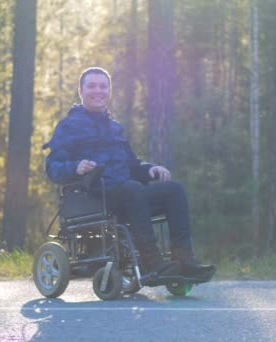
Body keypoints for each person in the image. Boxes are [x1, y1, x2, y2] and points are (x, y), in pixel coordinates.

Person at [44, 67, 214, 279]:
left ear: (110, 91)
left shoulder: (115, 127)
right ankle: (151, 262)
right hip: (94, 197)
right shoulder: (68, 126)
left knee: (173, 190)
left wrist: (150, 169)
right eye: (92, 86)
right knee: (133, 189)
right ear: (80, 91)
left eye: (103, 86)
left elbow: (131, 164)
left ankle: (185, 260)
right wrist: (75, 167)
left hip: (129, 196)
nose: (98, 91)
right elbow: (53, 167)